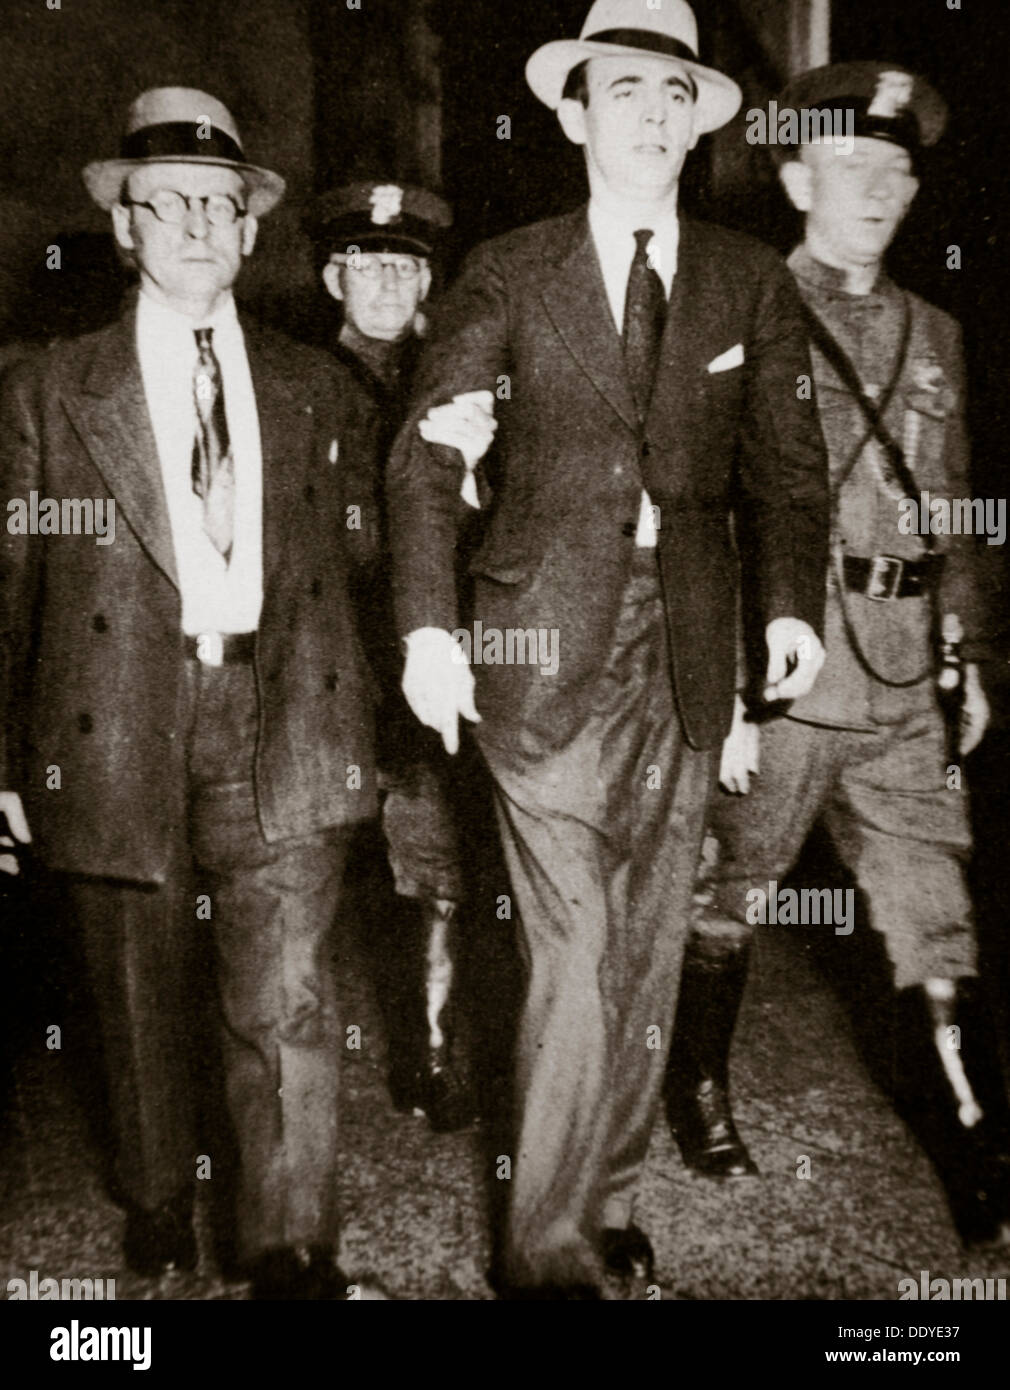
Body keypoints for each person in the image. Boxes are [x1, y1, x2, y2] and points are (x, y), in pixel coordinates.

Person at [386, 0, 830, 1297]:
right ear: (574, 113)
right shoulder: (506, 271)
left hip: (687, 649)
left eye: (672, 95)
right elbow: (422, 461)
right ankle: (546, 1256)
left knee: (642, 942)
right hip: (537, 644)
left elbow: (789, 479)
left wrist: (788, 610)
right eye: (622, 90)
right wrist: (425, 627)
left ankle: (611, 1193)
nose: (650, 115)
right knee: (570, 943)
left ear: (694, 122)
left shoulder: (751, 279)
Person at [0, 87, 381, 1297]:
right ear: (126, 227)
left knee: (288, 998)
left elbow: (365, 558)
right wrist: (6, 762)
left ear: (253, 230)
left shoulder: (319, 389)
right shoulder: (50, 390)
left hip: (284, 709)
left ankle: (289, 1249)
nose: (200, 226)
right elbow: (8, 587)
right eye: (170, 205)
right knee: (132, 992)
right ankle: (159, 1196)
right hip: (110, 718)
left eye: (222, 204)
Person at [676, 62, 1010, 1248]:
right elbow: (706, 508)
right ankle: (695, 1084)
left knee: (933, 914)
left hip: (908, 674)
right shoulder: (740, 310)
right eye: (849, 169)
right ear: (794, 175)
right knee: (731, 890)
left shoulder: (938, 331)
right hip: (788, 672)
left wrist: (969, 646)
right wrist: (719, 678)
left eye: (893, 174)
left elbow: (957, 501)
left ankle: (976, 1149)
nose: (873, 191)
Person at [306, 181, 474, 1131]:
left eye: (402, 265)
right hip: (336, 654)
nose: (383, 280)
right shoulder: (298, 381)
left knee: (437, 857)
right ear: (336, 277)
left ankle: (433, 1048)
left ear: (426, 283)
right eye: (364, 264)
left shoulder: (458, 380)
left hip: (437, 646)